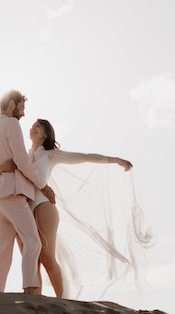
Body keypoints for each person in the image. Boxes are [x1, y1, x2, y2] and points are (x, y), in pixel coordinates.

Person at [24, 118, 131, 297]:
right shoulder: (23, 156)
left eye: (38, 126)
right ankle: (34, 300)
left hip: (44, 205)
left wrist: (115, 160)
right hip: (25, 208)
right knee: (32, 256)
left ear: (46, 133)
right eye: (33, 125)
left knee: (47, 256)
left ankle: (63, 301)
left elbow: (86, 157)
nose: (33, 128)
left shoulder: (50, 155)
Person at [0, 90, 46, 294]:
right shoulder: (12, 124)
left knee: (2, 252)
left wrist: (0, 181)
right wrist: (43, 185)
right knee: (33, 241)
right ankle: (30, 291)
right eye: (21, 107)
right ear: (11, 104)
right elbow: (21, 161)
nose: (23, 113)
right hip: (13, 195)